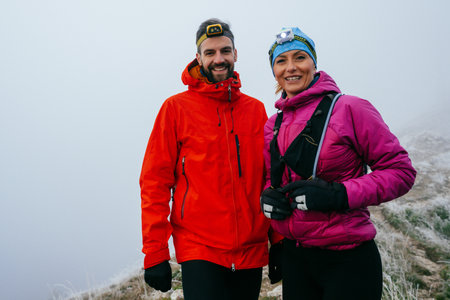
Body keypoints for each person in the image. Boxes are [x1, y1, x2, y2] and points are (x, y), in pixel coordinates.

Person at [260, 27, 416, 300]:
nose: (291, 68)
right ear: (274, 70)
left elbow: (401, 172)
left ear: (314, 62)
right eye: (281, 61)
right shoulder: (273, 124)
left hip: (348, 260)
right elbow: (271, 180)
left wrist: (339, 194)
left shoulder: (350, 109)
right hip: (297, 258)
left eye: (300, 57)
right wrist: (269, 199)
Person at [140, 18, 272, 300]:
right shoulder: (175, 109)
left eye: (225, 51)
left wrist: (281, 241)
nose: (219, 59)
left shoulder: (256, 110)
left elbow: (270, 179)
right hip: (200, 249)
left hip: (250, 251)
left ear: (235, 54)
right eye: (210, 53)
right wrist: (155, 253)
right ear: (198, 58)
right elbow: (154, 183)